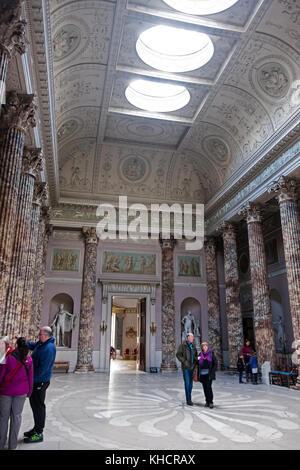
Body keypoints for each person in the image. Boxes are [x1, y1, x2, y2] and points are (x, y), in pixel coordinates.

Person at [23, 326, 56, 444]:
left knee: (38, 406)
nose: (38, 336)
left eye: (40, 334)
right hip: (36, 380)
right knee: (34, 405)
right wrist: (24, 342)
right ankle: (36, 428)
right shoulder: (42, 343)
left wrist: (30, 379)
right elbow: (33, 345)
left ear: (46, 336)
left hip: (40, 381)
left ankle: (39, 433)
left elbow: (43, 369)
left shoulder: (49, 348)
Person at [0, 337, 33, 450]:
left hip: (6, 392)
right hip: (21, 392)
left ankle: (1, 443)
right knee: (17, 417)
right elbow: (30, 378)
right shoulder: (29, 359)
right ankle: (12, 446)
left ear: (16, 345)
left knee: (4, 417)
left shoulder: (8, 358)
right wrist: (29, 392)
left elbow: (1, 376)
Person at [176, 333, 198, 406]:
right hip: (186, 368)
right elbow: (178, 354)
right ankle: (188, 399)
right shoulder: (182, 345)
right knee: (187, 383)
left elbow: (195, 356)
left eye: (193, 337)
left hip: (192, 367)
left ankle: (189, 397)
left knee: (191, 384)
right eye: (192, 337)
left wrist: (197, 360)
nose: (193, 338)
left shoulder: (194, 346)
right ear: (188, 337)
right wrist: (185, 362)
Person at [197, 341, 217, 409]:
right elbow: (198, 363)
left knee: (209, 387)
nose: (205, 347)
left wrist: (212, 371)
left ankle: (211, 402)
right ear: (202, 348)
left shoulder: (211, 354)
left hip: (209, 374)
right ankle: (207, 401)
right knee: (205, 388)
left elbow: (215, 363)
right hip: (202, 374)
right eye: (203, 346)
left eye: (206, 346)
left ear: (207, 347)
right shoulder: (200, 354)